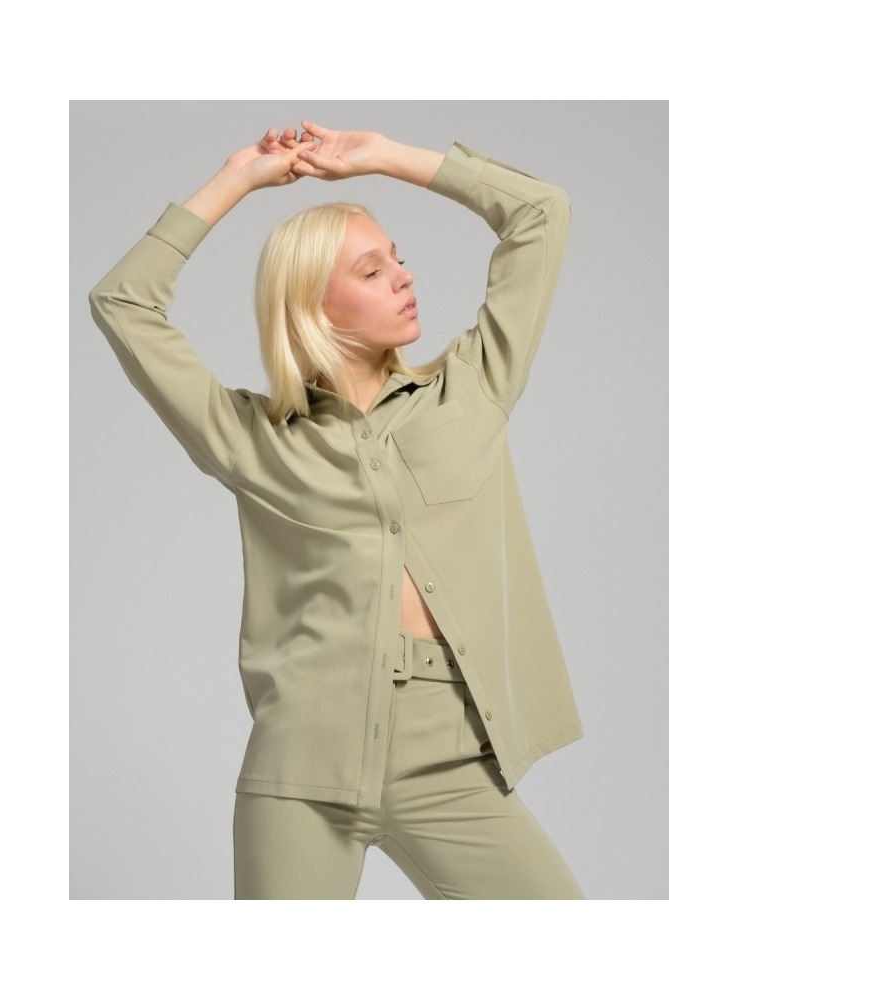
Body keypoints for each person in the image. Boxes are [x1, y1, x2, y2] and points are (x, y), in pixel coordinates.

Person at [89, 121, 585, 899]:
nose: (403, 277)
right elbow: (122, 303)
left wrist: (383, 157)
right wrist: (237, 177)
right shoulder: (254, 440)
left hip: (453, 760)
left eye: (399, 259)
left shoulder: (472, 390)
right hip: (302, 773)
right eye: (371, 269)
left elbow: (540, 213)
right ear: (313, 306)